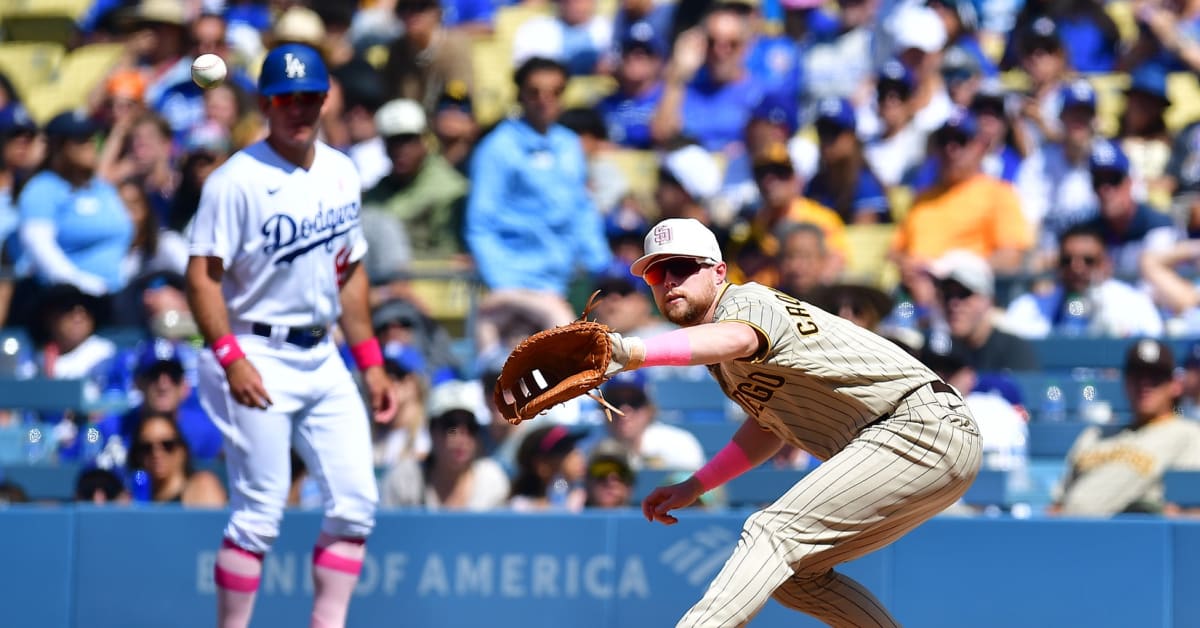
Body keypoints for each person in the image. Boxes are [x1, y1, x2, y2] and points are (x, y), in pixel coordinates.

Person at [610, 217, 982, 627]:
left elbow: (740, 338)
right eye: (655, 273)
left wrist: (630, 351)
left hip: (916, 424)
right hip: (916, 440)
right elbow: (768, 427)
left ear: (718, 272)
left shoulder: (745, 302)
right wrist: (696, 485)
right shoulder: (719, 353)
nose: (667, 281)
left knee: (772, 530)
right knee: (797, 576)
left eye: (680, 267)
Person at [184, 44, 397, 628]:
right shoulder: (235, 180)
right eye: (286, 99)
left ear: (326, 100)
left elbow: (349, 273)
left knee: (356, 506)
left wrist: (371, 361)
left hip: (322, 352)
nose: (299, 110)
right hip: (253, 347)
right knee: (259, 512)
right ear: (265, 104)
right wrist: (229, 358)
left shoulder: (341, 170)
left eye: (310, 98)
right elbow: (202, 277)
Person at [1054, 339, 1200, 516]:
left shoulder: (1189, 434)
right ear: (1125, 381)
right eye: (1137, 375)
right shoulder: (1095, 434)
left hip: (1135, 536)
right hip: (1068, 532)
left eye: (1156, 377)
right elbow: (1057, 503)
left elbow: (1188, 511)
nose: (1145, 385)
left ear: (1175, 385)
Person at [379, 380, 510, 510]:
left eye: (471, 426)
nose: (462, 438)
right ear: (431, 430)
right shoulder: (402, 480)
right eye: (451, 426)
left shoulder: (492, 482)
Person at [126, 413, 227, 507]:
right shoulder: (134, 500)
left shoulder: (202, 487)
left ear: (182, 451)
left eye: (167, 445)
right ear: (138, 455)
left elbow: (212, 524)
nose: (156, 453)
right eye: (146, 447)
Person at [584, 438, 637, 509]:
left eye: (620, 472)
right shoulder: (567, 515)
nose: (610, 482)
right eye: (602, 471)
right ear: (587, 480)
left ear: (630, 483)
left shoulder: (650, 518)